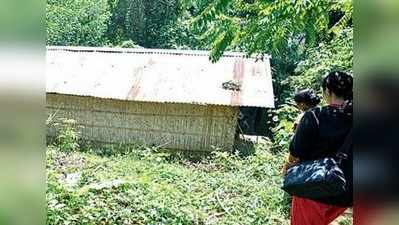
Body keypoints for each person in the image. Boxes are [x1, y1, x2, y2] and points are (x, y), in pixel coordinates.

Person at [282, 71, 353, 225]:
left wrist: (288, 166)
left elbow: (295, 154)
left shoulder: (315, 116)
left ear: (327, 90)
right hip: (345, 193)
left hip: (313, 188)